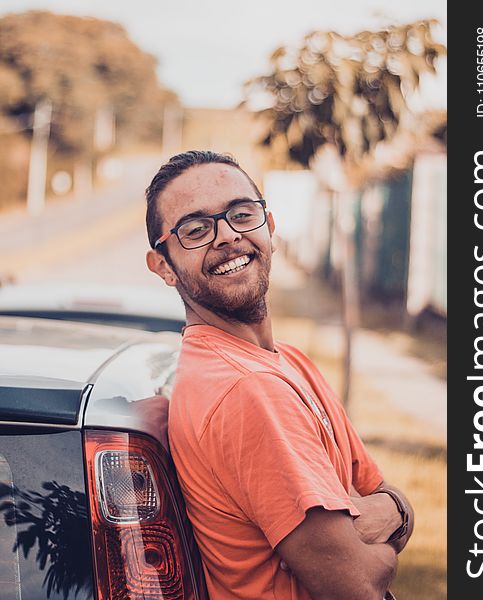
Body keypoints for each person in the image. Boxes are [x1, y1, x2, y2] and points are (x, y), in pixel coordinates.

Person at [145, 150, 414, 599]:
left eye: (241, 214)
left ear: (269, 225)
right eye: (195, 230)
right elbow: (358, 584)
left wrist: (393, 508)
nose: (227, 236)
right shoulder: (246, 391)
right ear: (164, 266)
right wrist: (394, 517)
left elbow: (379, 488)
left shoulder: (287, 362)